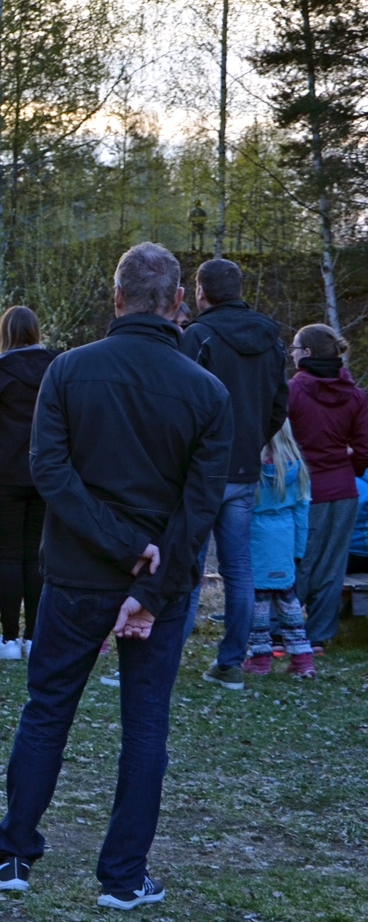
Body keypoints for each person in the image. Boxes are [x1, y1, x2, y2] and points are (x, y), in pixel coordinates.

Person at [0, 242, 230, 910]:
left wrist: (135, 567)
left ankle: (14, 854)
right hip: (155, 579)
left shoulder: (69, 372)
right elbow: (198, 505)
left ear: (117, 297)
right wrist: (145, 569)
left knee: (48, 710)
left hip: (80, 576)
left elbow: (51, 474)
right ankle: (122, 873)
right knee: (144, 724)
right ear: (178, 303)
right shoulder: (205, 390)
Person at [179, 258, 288, 690]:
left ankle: (165, 654)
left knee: (186, 566)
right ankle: (231, 663)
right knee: (238, 568)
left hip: (202, 468)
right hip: (243, 467)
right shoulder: (271, 339)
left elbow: (180, 400)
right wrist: (255, 438)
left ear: (202, 292)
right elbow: (280, 403)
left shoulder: (198, 336)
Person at [0, 305, 58, 659]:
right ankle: (34, 637)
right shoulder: (56, 366)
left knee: (7, 556)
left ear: (4, 332)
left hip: (2, 473)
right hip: (44, 472)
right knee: (35, 555)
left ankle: (8, 639)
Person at [286, 323, 368, 651]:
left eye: (294, 347)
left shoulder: (292, 391)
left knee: (299, 560)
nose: (291, 353)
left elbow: (280, 442)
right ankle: (319, 636)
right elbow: (364, 449)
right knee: (334, 564)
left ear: (306, 353)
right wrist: (347, 464)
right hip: (345, 489)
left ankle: (287, 630)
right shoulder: (356, 395)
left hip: (305, 489)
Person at [245, 422, 314, 678]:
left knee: (258, 602)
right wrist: (298, 550)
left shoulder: (251, 466)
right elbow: (302, 514)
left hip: (256, 538)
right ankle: (302, 656)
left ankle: (260, 656)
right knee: (288, 599)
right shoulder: (297, 468)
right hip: (285, 539)